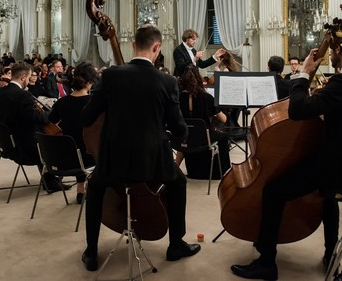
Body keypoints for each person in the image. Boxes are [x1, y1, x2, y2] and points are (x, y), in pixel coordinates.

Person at [231, 27, 342, 281]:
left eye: (332, 50)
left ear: (337, 51)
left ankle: (267, 263)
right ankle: (329, 254)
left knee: (273, 190)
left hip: (339, 168)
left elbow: (298, 110)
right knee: (327, 196)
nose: (330, 55)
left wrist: (304, 73)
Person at [80, 24, 200, 272]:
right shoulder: (167, 81)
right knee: (178, 183)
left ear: (133, 45)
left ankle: (91, 252)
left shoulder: (111, 76)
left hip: (114, 160)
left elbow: (87, 117)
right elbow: (179, 128)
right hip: (152, 162)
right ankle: (175, 244)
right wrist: (179, 134)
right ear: (157, 48)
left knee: (95, 187)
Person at [0, 62, 61, 192]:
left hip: (8, 141)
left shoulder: (1, 92)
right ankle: (52, 181)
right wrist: (50, 113)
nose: (30, 80)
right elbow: (35, 118)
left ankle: (50, 180)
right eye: (30, 77)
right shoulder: (22, 95)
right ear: (23, 77)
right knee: (53, 142)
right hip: (24, 145)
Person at [48, 62, 99, 204]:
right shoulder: (93, 103)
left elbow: (52, 120)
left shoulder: (62, 102)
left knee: (78, 142)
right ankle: (93, 188)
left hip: (66, 156)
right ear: (90, 82)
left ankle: (80, 189)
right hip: (89, 156)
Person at [175, 65, 231, 178]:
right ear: (199, 78)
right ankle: (221, 172)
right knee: (223, 136)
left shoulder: (178, 98)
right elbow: (223, 119)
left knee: (189, 134)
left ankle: (177, 168)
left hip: (186, 138)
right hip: (204, 139)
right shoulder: (206, 97)